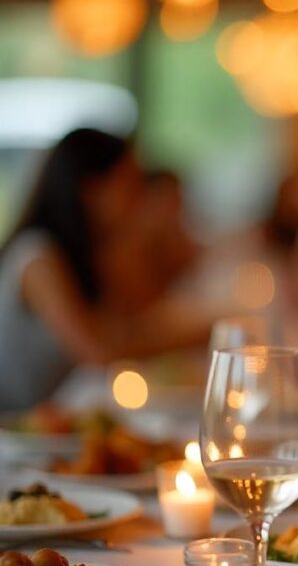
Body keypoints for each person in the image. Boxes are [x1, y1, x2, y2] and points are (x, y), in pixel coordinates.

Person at [0, 128, 211, 411]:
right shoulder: (38, 257)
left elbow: (139, 315)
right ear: (90, 190)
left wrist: (150, 238)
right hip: (15, 428)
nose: (140, 198)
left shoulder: (89, 252)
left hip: (54, 419)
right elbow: (100, 351)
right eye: (130, 184)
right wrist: (200, 335)